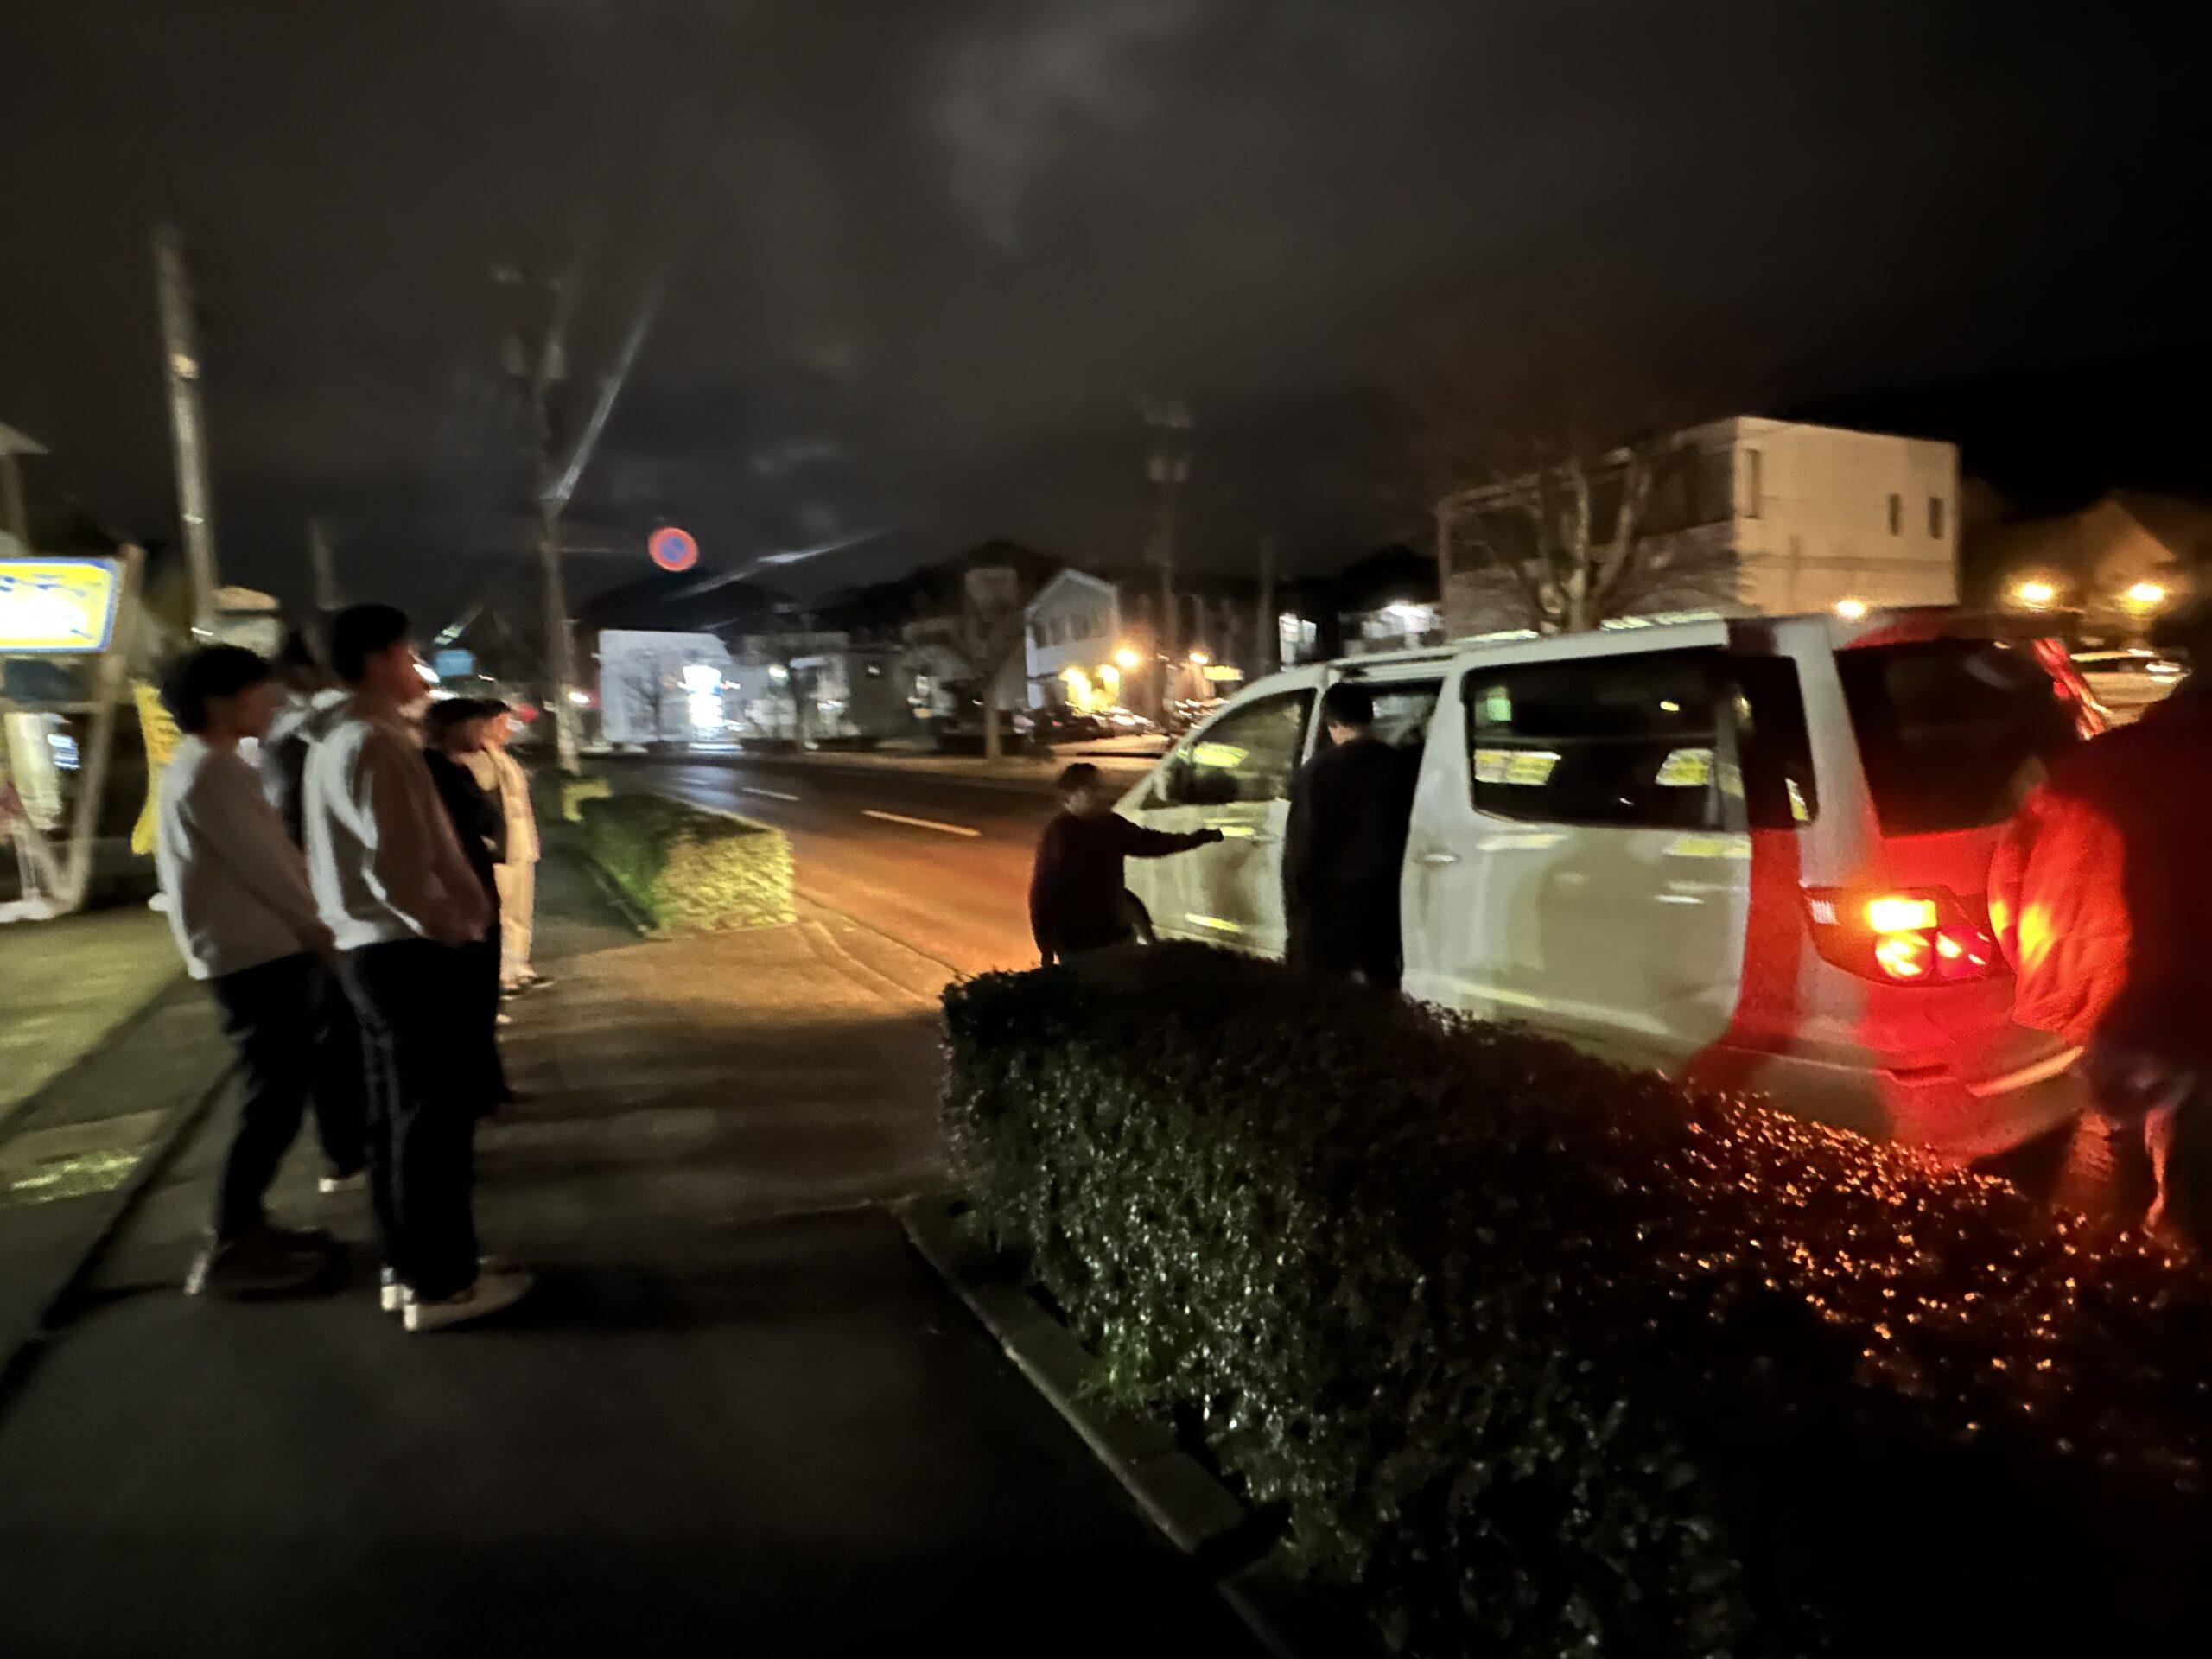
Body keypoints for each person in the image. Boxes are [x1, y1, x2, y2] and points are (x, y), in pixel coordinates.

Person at [305, 605, 528, 1332]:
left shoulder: (338, 740)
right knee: (432, 1125)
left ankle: (412, 1267)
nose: (417, 670)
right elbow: (399, 870)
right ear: (377, 661)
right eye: (407, 655)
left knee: (398, 1120)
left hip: (371, 951)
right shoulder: (372, 743)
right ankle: (443, 1284)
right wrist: (455, 927)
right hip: (405, 953)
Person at [1990, 607, 2212, 1252]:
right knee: (2190, 1177)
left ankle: (2091, 1263)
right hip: (2190, 1011)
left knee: (2113, 1136)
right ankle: (2165, 1268)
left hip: (2114, 1006)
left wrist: (2060, 976)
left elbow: (2011, 883)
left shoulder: (2094, 766)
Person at [152, 645, 338, 1297]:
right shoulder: (215, 772)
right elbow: (273, 869)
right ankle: (232, 1240)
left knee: (274, 1095)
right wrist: (323, 935)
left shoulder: (200, 764)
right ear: (220, 703)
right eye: (259, 693)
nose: (272, 703)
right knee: (273, 1100)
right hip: (257, 956)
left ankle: (248, 1226)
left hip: (241, 953)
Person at [255, 626, 367, 1191]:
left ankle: (350, 1148)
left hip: (326, 906)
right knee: (338, 1034)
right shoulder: (301, 740)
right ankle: (347, 1152)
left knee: (341, 1033)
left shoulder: (297, 736)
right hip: (325, 910)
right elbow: (297, 832)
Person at [1281, 683, 1421, 989]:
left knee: (1332, 995)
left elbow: (1300, 853)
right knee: (1381, 990)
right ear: (1369, 719)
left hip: (1332, 909)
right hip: (1385, 906)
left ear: (1332, 725)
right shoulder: (1402, 767)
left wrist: (1297, 926)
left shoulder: (1317, 773)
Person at [1030, 762, 1221, 965]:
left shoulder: (1111, 825)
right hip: (1077, 943)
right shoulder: (1060, 835)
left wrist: (1200, 838)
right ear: (1069, 797)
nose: (1100, 794)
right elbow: (1044, 892)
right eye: (1091, 788)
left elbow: (1151, 843)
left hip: (1115, 934)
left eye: (1099, 787)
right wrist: (1046, 946)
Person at [423, 698, 510, 1110]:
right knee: (470, 994)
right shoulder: (432, 771)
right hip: (458, 893)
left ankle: (488, 1082)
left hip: (476, 883)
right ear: (451, 727)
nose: (482, 733)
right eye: (475, 726)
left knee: (483, 992)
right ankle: (477, 1088)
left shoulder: (456, 770)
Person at [467, 702, 548, 995]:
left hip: (521, 844)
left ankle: (520, 966)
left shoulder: (503, 756)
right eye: (500, 722)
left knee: (520, 909)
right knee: (502, 910)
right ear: (484, 724)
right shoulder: (477, 758)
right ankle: (503, 972)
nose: (506, 729)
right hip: (501, 849)